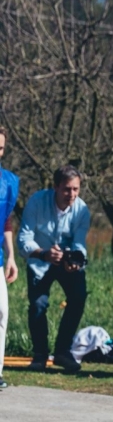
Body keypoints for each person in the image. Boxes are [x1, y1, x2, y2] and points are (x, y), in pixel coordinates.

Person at [18, 165, 89, 373]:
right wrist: (43, 254)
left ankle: (62, 352)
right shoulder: (36, 202)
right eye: (67, 189)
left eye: (76, 189)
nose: (72, 195)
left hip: (66, 261)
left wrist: (75, 261)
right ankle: (40, 355)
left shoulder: (82, 210)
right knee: (38, 305)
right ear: (56, 187)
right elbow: (23, 239)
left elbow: (79, 242)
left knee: (78, 297)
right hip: (39, 260)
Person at [0, 128, 19, 388]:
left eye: (1, 148)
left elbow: (5, 221)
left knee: (2, 311)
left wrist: (11, 256)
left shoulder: (8, 182)